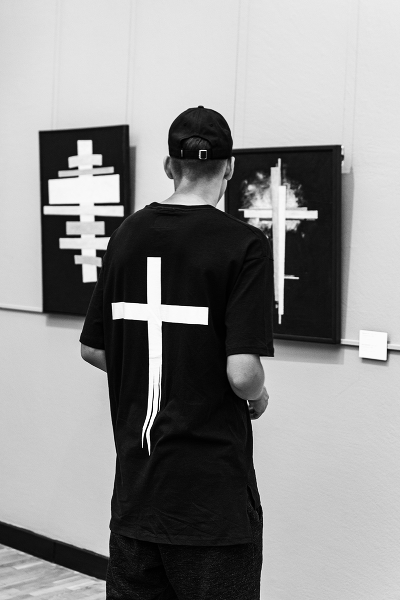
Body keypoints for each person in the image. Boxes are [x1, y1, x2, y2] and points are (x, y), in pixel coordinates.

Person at [80, 105, 274, 600]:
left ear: (169, 166)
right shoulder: (244, 245)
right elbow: (242, 374)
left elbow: (93, 347)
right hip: (210, 503)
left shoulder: (126, 235)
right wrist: (258, 395)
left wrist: (150, 368)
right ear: (229, 169)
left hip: (137, 490)